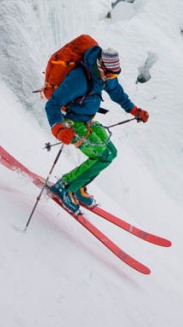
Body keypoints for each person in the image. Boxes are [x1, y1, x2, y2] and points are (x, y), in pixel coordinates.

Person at [44, 45, 148, 212]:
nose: (112, 78)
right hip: (71, 122)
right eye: (110, 74)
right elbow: (52, 104)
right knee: (102, 155)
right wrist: (58, 129)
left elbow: (116, 92)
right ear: (100, 66)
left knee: (111, 152)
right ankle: (65, 186)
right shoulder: (78, 79)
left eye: (116, 74)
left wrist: (134, 110)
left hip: (86, 121)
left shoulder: (105, 75)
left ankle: (78, 187)